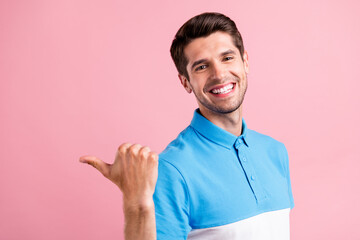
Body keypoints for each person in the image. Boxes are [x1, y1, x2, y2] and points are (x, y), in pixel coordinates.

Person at [80, 12, 294, 240]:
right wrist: (137, 206)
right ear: (185, 82)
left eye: (227, 58)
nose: (219, 74)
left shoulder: (276, 152)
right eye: (202, 67)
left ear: (245, 62)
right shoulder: (170, 170)